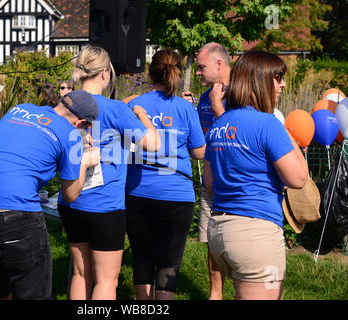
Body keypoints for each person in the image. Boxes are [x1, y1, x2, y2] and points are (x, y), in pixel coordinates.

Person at [0, 90, 101, 300]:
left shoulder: (19, 109)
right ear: (81, 122)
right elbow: (71, 194)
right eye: (87, 126)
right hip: (17, 214)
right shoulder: (71, 134)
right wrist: (84, 161)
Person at [203, 50, 308, 300]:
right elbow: (299, 178)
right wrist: (288, 135)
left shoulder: (220, 123)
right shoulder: (268, 123)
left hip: (220, 230)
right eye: (278, 77)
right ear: (258, 80)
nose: (282, 84)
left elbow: (209, 183)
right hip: (254, 234)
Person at [57, 45, 160, 300]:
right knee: (106, 281)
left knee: (80, 274)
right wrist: (141, 114)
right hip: (105, 206)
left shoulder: (65, 104)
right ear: (105, 73)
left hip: (70, 198)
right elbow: (154, 145)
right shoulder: (117, 110)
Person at [125, 48, 207, 300]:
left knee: (142, 258)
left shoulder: (134, 104)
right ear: (178, 75)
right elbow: (200, 152)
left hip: (138, 191)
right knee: (169, 262)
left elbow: (123, 142)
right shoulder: (185, 108)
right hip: (176, 196)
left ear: (150, 74)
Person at [182, 42, 231, 300]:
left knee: (238, 242)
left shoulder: (241, 93)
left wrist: (218, 108)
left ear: (219, 64)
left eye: (201, 67)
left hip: (237, 185)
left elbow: (240, 137)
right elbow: (200, 141)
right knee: (212, 242)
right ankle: (216, 294)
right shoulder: (203, 99)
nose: (197, 72)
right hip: (210, 184)